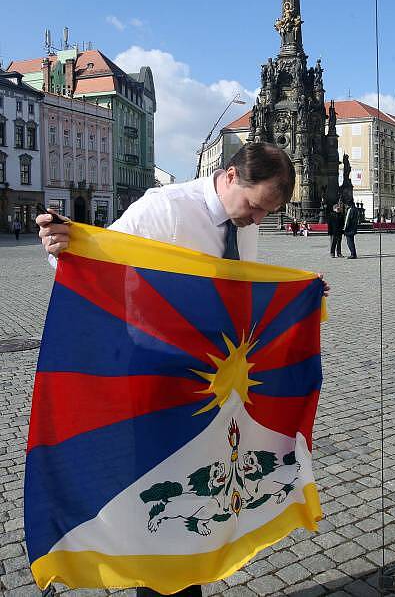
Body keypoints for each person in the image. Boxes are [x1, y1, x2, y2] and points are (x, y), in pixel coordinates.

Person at [36, 142, 329, 597]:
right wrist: (61, 246)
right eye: (254, 207)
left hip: (215, 386)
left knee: (202, 491)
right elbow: (99, 259)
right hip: (156, 379)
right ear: (231, 176)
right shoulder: (165, 210)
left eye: (264, 214)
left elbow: (241, 298)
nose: (255, 220)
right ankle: (162, 585)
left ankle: (190, 575)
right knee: (159, 488)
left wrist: (301, 300)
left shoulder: (243, 226)